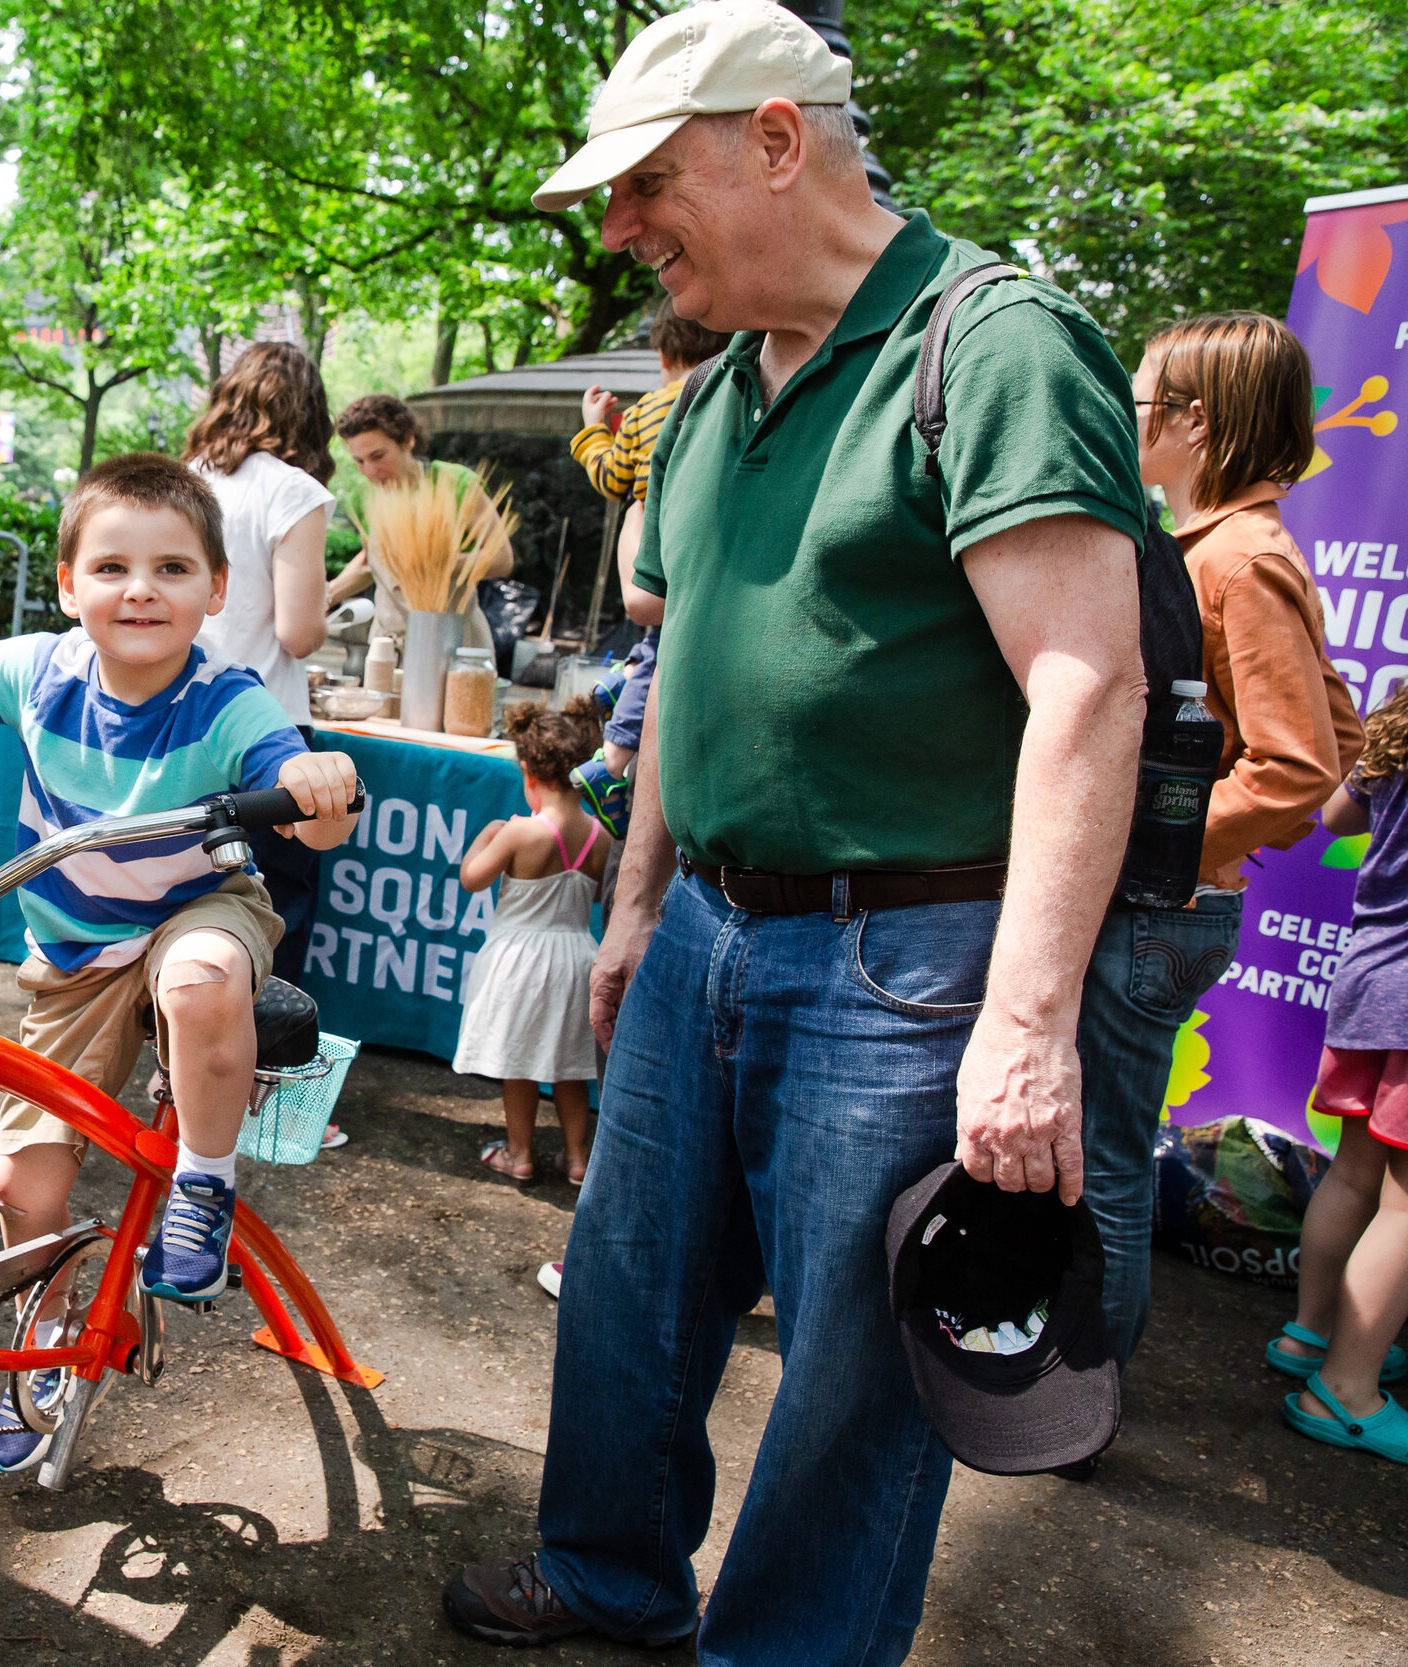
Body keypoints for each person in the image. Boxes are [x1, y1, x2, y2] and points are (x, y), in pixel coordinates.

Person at [444, 5, 1150, 1658]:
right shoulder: (700, 403)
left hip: (905, 957)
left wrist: (1030, 1023)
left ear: (778, 141)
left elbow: (1089, 690)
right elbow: (684, 661)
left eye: (644, 185)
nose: (619, 230)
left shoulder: (993, 345)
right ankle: (614, 1577)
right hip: (707, 928)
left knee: (850, 1371)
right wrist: (633, 911)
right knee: (626, 1292)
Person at [0, 453, 360, 1475]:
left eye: (172, 568)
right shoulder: (38, 670)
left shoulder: (228, 697)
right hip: (73, 953)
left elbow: (305, 796)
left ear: (217, 590)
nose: (140, 589)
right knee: (26, 1186)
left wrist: (313, 780)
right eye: (113, 566)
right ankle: (39, 1351)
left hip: (194, 906)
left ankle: (201, 1184)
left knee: (201, 977)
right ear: (69, 584)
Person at [1077, 311, 1361, 1373]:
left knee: (1104, 1161)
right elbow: (1337, 725)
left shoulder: (1241, 558)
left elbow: (1297, 763)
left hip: (1155, 908)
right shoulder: (1221, 546)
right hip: (1159, 904)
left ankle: (1074, 1398)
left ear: (1192, 423)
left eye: (1142, 401)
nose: (1127, 418)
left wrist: (1158, 850)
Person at [1274, 696, 1408, 1463]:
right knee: (1406, 1201)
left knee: (1356, 1173)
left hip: (1370, 977)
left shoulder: (1398, 729)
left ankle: (1311, 1332)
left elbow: (1334, 817)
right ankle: (1346, 1387)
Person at [183, 342, 336, 981]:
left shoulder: (184, 479)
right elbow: (300, 634)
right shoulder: (294, 492)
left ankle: (177, 1071)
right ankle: (264, 1080)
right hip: (264, 732)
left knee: (181, 913)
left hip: (176, 722)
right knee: (271, 916)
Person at [570, 299, 728, 777]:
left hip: (650, 551)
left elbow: (610, 479)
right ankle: (613, 763)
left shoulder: (643, 413)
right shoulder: (726, 395)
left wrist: (593, 429)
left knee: (657, 639)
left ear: (662, 355)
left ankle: (629, 676)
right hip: (702, 547)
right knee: (666, 642)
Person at [456, 704, 606, 1187]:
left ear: (528, 772)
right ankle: (577, 1157)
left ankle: (519, 1154)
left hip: (519, 961)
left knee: (518, 1062)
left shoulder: (521, 832)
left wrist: (488, 835)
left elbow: (471, 879)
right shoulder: (601, 836)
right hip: (576, 958)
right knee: (571, 1066)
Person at [327, 393, 514, 659]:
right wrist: (326, 596)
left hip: (453, 644)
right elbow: (371, 562)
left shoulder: (455, 483)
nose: (369, 471)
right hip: (387, 649)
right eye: (359, 461)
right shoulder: (367, 496)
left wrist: (431, 562)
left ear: (408, 440)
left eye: (378, 456)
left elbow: (501, 559)